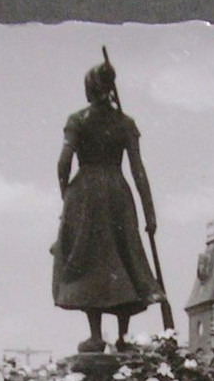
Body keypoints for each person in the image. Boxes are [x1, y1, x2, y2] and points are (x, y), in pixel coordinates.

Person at [51, 60, 161, 353]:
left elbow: (63, 164)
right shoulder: (125, 123)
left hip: (85, 194)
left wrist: (68, 195)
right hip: (117, 192)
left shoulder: (78, 120)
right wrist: (149, 212)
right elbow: (138, 171)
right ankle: (124, 336)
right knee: (124, 255)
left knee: (90, 261)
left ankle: (96, 335)